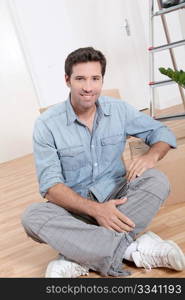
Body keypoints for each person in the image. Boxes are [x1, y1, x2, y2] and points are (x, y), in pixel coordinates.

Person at [21, 47, 185, 278]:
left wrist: (151, 156)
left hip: (119, 196)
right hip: (74, 207)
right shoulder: (47, 125)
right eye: (80, 79)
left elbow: (162, 133)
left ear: (101, 80)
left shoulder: (118, 110)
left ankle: (77, 255)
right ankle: (134, 248)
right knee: (32, 217)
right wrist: (97, 211)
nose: (88, 87)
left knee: (157, 180)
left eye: (95, 79)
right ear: (67, 80)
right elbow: (50, 187)